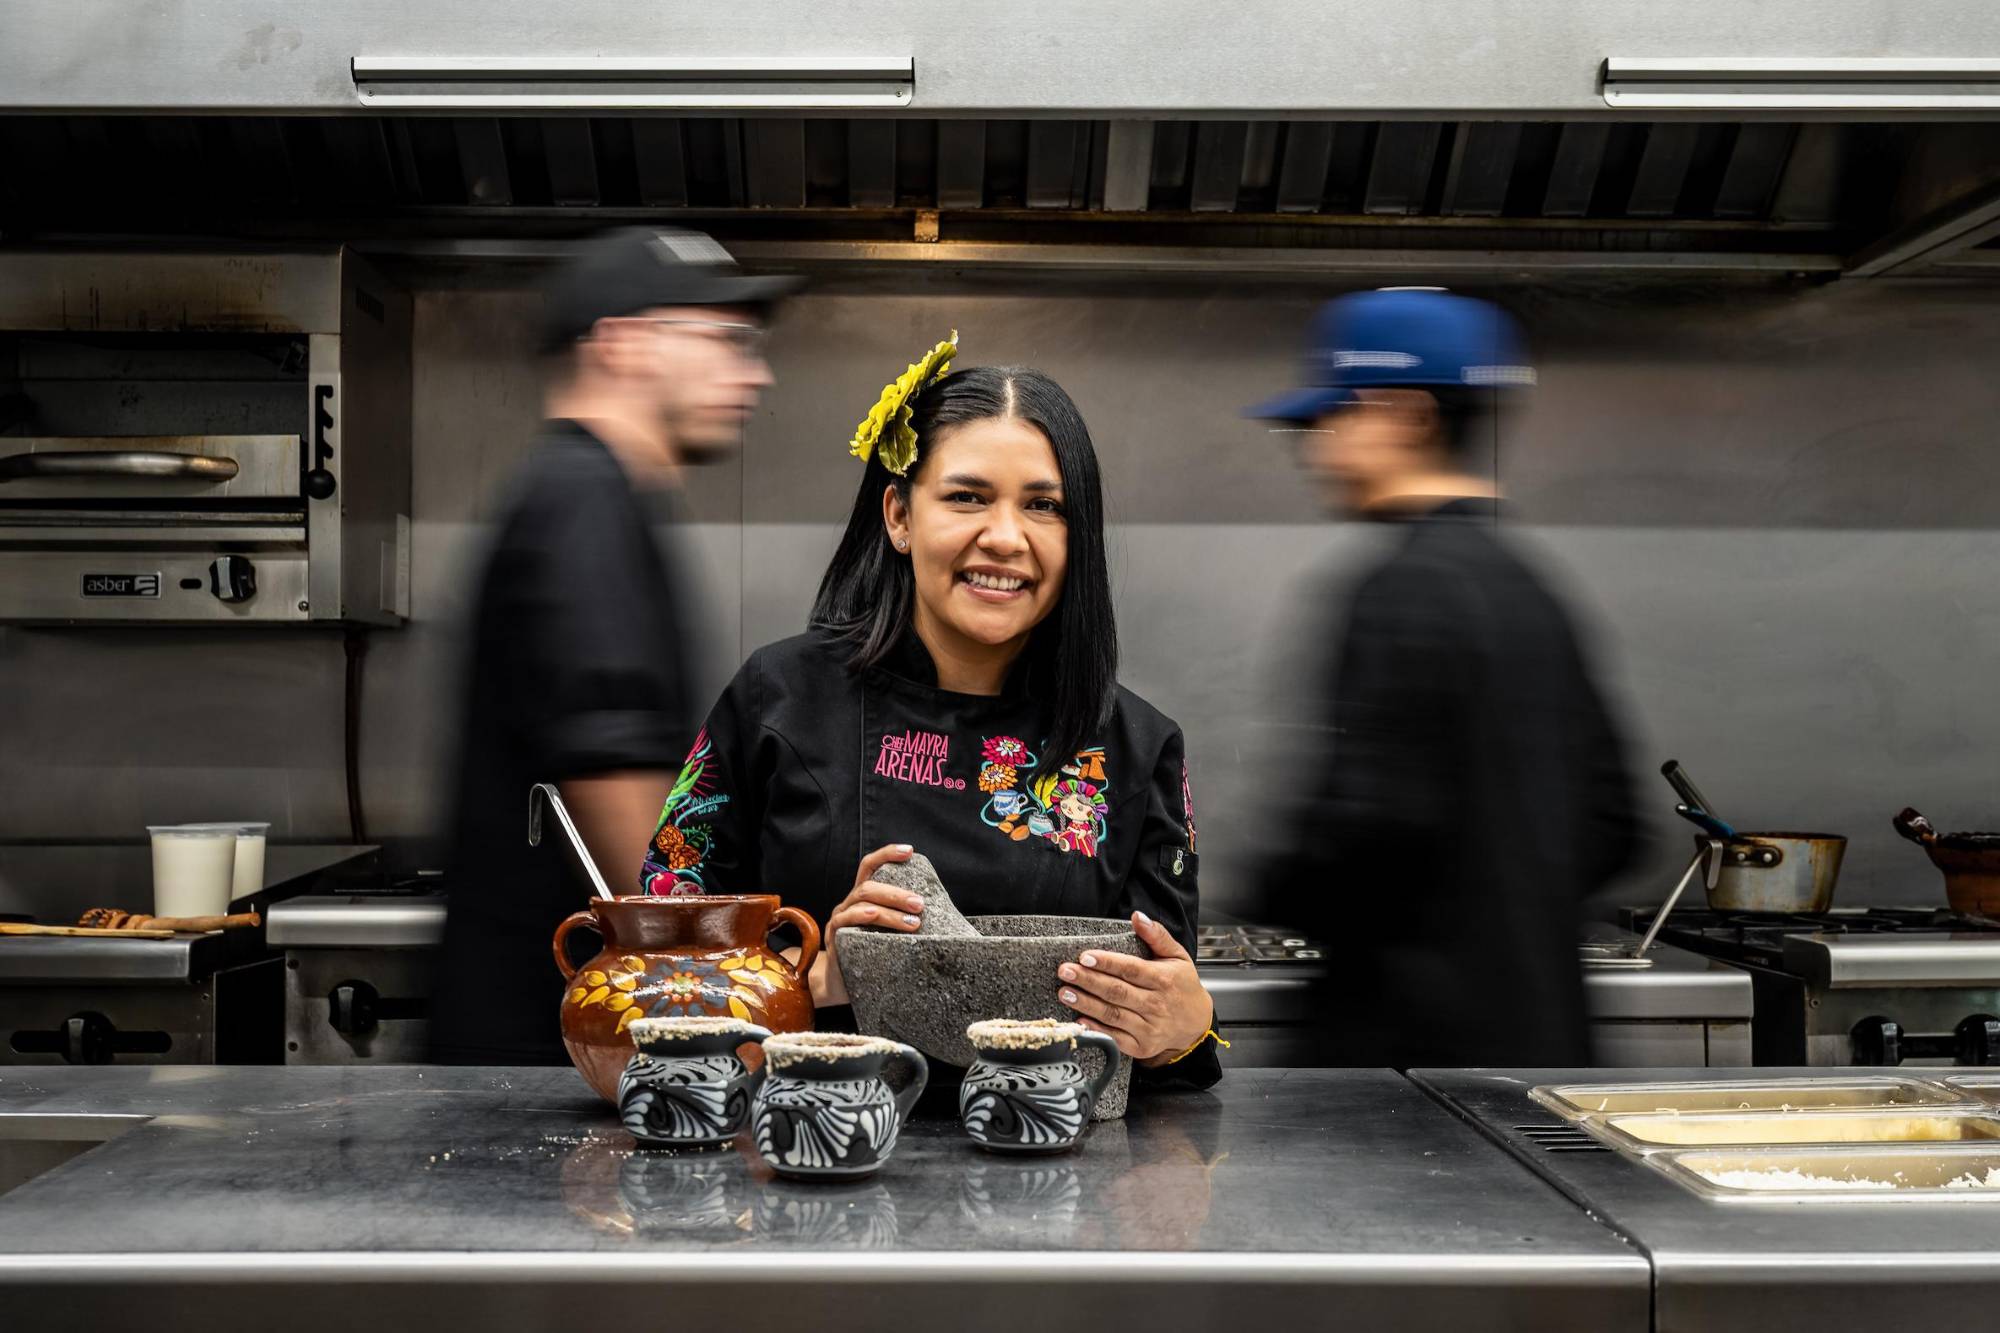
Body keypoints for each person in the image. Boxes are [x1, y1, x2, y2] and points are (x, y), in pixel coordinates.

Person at [635, 341, 1223, 1085]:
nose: (1006, 537)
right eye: (967, 497)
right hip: (809, 1158)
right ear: (899, 515)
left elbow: (1163, 1028)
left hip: (1048, 1174)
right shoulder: (776, 700)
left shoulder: (1138, 748)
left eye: (1043, 506)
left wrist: (1181, 1029)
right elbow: (657, 971)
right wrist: (809, 984)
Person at [1244, 288, 1641, 1069]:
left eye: (1332, 418)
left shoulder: (1402, 589)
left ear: (1405, 415)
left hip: (1413, 1062)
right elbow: (1615, 822)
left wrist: (1271, 891)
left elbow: (1364, 832)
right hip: (1544, 1038)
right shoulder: (1532, 588)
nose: (1313, 448)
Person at [430, 228, 798, 1066]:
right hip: (555, 1052)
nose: (754, 373)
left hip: (562, 1034)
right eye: (724, 341)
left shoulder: (588, 495)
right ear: (625, 344)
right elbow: (619, 792)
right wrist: (707, 1020)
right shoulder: (583, 504)